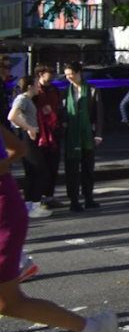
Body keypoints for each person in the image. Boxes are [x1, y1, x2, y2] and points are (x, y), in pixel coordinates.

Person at [0, 124, 119, 332]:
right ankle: (94, 328)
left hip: (2, 213)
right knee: (8, 303)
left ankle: (94, 328)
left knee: (8, 302)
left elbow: (14, 151)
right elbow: (17, 148)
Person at [61, 62, 103, 213]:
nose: (69, 77)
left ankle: (88, 197)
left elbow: (98, 114)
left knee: (88, 167)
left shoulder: (92, 90)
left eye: (71, 73)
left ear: (79, 73)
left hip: (87, 134)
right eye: (66, 75)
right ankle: (73, 199)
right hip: (72, 134)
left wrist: (98, 134)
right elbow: (62, 111)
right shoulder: (65, 91)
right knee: (72, 168)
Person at [7, 77, 51, 218]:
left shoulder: (27, 100)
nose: (39, 88)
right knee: (40, 169)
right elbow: (12, 116)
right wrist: (30, 128)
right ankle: (34, 204)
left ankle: (29, 204)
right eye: (37, 85)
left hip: (28, 136)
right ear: (30, 86)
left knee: (32, 171)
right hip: (26, 137)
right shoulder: (23, 98)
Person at [32, 64, 62, 208]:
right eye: (50, 72)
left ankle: (49, 197)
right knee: (40, 166)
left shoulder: (55, 90)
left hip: (54, 130)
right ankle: (38, 198)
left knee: (53, 164)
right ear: (41, 74)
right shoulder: (34, 90)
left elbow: (60, 108)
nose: (53, 74)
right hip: (39, 132)